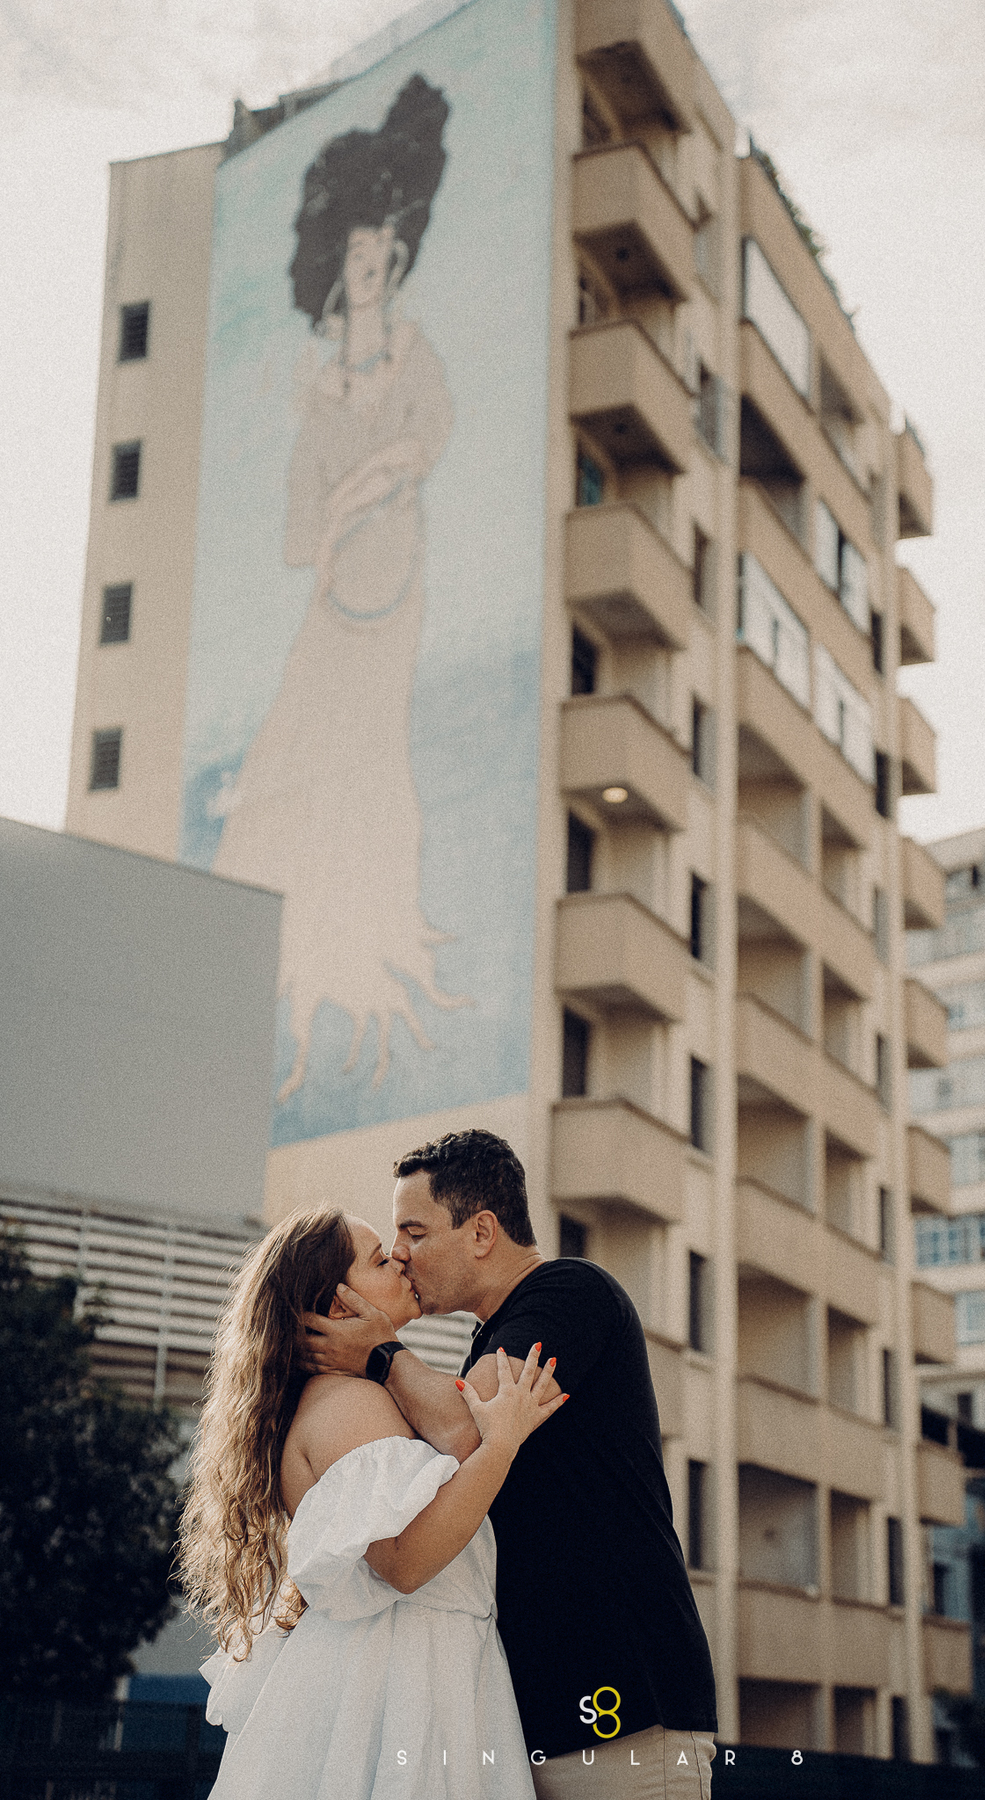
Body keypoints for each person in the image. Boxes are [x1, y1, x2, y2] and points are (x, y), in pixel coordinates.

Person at [304, 1129, 718, 1799]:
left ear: (481, 1231)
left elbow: (467, 1427)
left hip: (628, 1709)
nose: (401, 1255)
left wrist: (379, 1353)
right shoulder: (490, 1340)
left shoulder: (570, 1294)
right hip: (546, 1716)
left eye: (414, 1232)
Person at [210, 73, 469, 1104]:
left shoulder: (418, 356)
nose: (365, 272)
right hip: (335, 603)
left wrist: (365, 486)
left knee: (375, 749)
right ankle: (281, 949)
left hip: (395, 592)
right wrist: (355, 488)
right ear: (336, 267)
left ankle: (361, 936)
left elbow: (423, 445)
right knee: (301, 748)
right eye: (351, 259)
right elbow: (294, 535)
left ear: (395, 259)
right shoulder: (321, 396)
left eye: (378, 256)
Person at [179, 1205, 566, 1799]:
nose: (402, 1261)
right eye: (381, 1259)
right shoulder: (347, 1404)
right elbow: (404, 1562)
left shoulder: (350, 1399)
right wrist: (502, 1443)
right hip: (400, 1686)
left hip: (417, 1668)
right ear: (340, 1307)